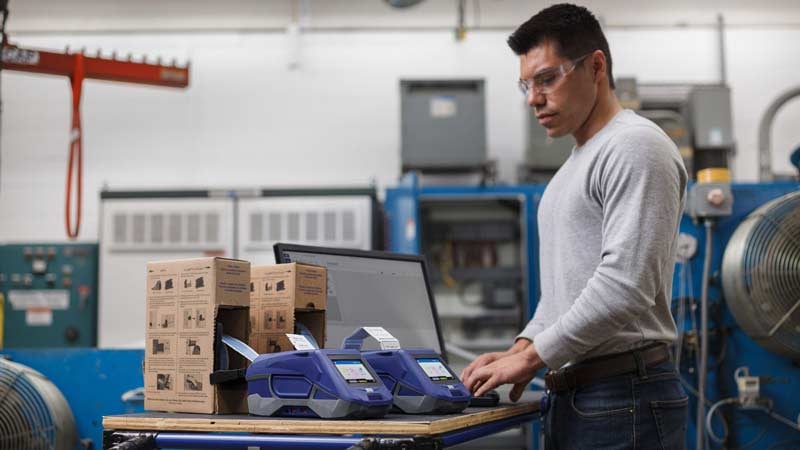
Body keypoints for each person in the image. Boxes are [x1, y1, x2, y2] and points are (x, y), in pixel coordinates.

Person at [460, 4, 689, 449]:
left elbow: (624, 287)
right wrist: (521, 348)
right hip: (581, 395)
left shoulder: (634, 146)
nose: (533, 99)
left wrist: (534, 358)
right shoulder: (571, 169)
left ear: (596, 66)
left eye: (547, 79)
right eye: (526, 84)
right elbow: (565, 292)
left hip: (625, 398)